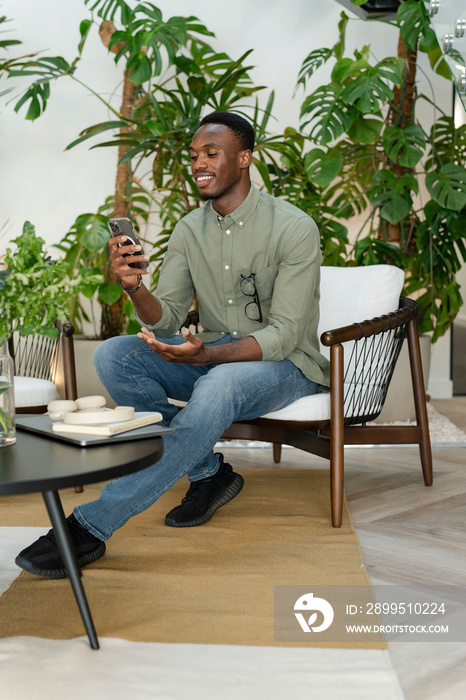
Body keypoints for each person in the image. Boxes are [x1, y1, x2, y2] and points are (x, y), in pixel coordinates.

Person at [16, 111, 330, 579]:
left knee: (220, 382)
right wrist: (133, 286)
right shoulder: (189, 229)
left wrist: (208, 356)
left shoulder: (294, 227)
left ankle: (88, 528)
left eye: (211, 154)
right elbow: (165, 319)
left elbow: (283, 334)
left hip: (286, 365)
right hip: (217, 355)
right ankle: (209, 474)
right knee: (114, 355)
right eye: (194, 156)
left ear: (244, 159)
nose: (198, 163)